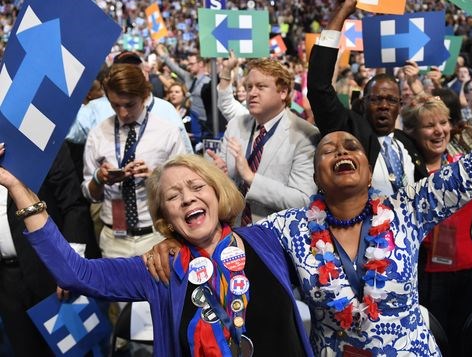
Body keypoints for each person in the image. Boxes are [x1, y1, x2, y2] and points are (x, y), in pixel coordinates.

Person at [147, 46, 472, 355]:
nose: (339, 149)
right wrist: (172, 242)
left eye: (350, 145)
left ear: (369, 171)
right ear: (317, 177)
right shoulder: (290, 229)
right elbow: (221, 242)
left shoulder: (407, 209)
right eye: (328, 150)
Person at [0, 153, 313, 357]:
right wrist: (16, 187)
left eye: (196, 187)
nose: (188, 198)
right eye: (173, 196)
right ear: (165, 216)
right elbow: (75, 273)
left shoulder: (269, 239)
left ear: (217, 192)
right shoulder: (159, 269)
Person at [401, 96, 472, 356]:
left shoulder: (463, 157)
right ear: (412, 132)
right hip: (429, 278)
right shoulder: (405, 168)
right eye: (429, 125)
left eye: (443, 122)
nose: (439, 130)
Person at [307, 0, 427, 195]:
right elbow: (319, 87)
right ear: (363, 103)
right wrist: (340, 16)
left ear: (400, 105)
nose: (383, 105)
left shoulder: (408, 142)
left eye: (391, 100)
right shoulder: (350, 132)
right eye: (376, 99)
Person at [0, 143, 101, 356]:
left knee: (74, 351)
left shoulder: (40, 140)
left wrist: (69, 267)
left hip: (51, 272)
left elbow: (73, 205)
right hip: (7, 283)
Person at [82, 63, 188, 258]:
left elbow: (184, 186)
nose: (123, 113)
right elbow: (90, 194)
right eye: (115, 105)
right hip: (114, 238)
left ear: (144, 96)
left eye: (130, 105)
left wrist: (156, 177)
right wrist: (99, 179)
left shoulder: (167, 132)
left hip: (157, 237)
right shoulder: (98, 134)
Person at [209, 57, 320, 224]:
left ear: (283, 92)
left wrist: (250, 178)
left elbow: (303, 201)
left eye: (261, 87)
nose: (252, 93)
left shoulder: (304, 134)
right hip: (233, 229)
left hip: (275, 238)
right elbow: (224, 183)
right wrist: (218, 176)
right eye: (249, 87)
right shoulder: (235, 125)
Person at [166, 82, 202, 149]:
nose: (173, 94)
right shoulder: (165, 112)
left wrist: (188, 135)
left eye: (177, 92)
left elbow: (198, 135)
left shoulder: (191, 114)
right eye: (171, 92)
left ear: (184, 95)